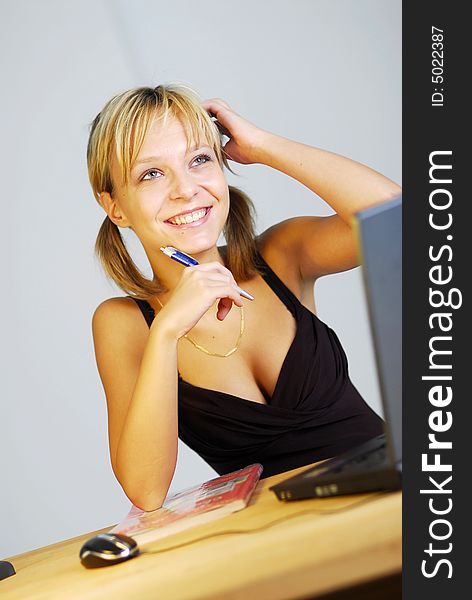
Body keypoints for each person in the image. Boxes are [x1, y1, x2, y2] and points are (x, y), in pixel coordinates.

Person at [87, 84, 401, 511]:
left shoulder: (281, 257)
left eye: (200, 160)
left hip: (401, 504)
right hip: (281, 550)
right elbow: (145, 488)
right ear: (115, 206)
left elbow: (400, 222)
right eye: (151, 174)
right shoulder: (124, 322)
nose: (185, 189)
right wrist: (167, 331)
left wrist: (263, 146)